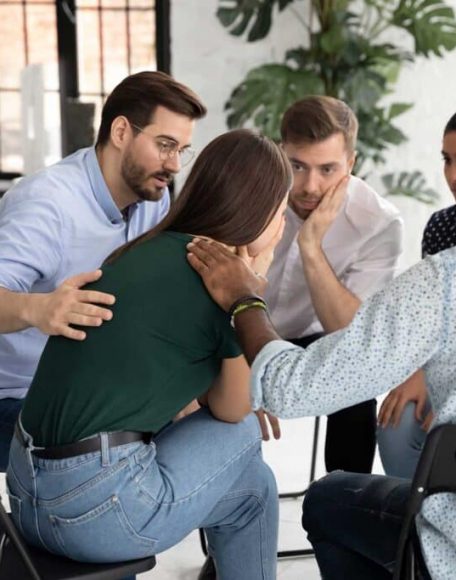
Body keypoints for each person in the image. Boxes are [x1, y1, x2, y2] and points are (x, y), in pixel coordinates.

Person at [7, 129, 293, 580]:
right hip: (94, 511)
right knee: (243, 433)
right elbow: (234, 407)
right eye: (281, 212)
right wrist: (250, 285)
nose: (283, 225)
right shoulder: (219, 283)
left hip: (24, 495)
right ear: (258, 214)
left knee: (254, 490)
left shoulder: (144, 249)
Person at [186, 235, 456, 579]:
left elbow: (289, 389)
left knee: (328, 498)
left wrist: (244, 299)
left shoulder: (443, 281)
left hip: (447, 556)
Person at [0, 70, 206, 471]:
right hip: (15, 400)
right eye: (165, 145)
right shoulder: (46, 204)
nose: (175, 164)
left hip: (93, 388)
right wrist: (38, 310)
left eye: (182, 150)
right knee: (124, 448)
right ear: (121, 131)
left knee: (221, 432)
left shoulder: (151, 199)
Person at [261, 96, 403, 473]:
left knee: (357, 374)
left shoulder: (377, 223)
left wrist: (310, 245)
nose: (310, 186)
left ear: (351, 163)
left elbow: (351, 333)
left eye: (327, 169)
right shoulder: (249, 194)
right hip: (237, 330)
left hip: (317, 338)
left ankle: (343, 504)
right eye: (297, 166)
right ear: (281, 153)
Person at [377, 111, 456, 479]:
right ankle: (416, 535)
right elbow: (434, 322)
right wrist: (423, 371)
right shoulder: (442, 227)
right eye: (447, 160)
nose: (452, 176)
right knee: (397, 423)